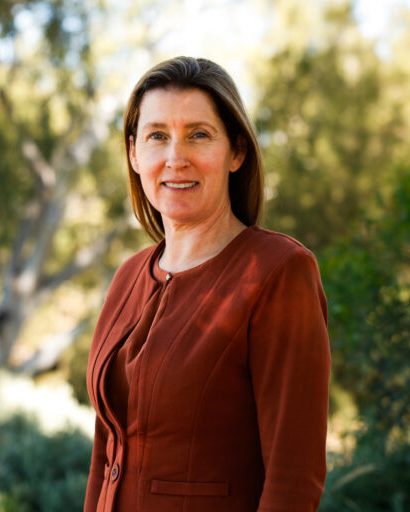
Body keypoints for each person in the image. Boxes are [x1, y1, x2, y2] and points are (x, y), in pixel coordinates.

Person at [84, 56, 331, 512]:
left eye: (198, 134)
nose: (176, 158)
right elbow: (105, 454)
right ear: (135, 153)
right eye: (157, 136)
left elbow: (295, 477)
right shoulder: (127, 277)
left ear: (236, 152)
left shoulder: (279, 271)